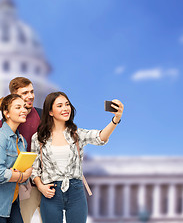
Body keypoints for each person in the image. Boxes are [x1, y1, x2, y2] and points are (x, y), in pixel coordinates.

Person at [31, 92, 124, 223]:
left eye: (67, 104)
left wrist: (115, 120)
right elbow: (34, 168)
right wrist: (41, 187)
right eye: (60, 105)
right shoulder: (38, 138)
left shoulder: (77, 134)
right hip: (50, 191)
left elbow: (101, 137)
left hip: (75, 191)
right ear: (50, 112)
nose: (65, 108)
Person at [0, 77, 42, 223]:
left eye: (32, 91)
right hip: (24, 185)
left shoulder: (43, 114)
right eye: (25, 93)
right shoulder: (2, 126)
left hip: (46, 182)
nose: (30, 96)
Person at [0, 94, 33, 223]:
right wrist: (23, 176)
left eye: (24, 107)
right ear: (7, 113)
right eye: (18, 107)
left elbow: (20, 171)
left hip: (12, 200)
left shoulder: (21, 140)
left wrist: (23, 174)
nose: (24, 110)